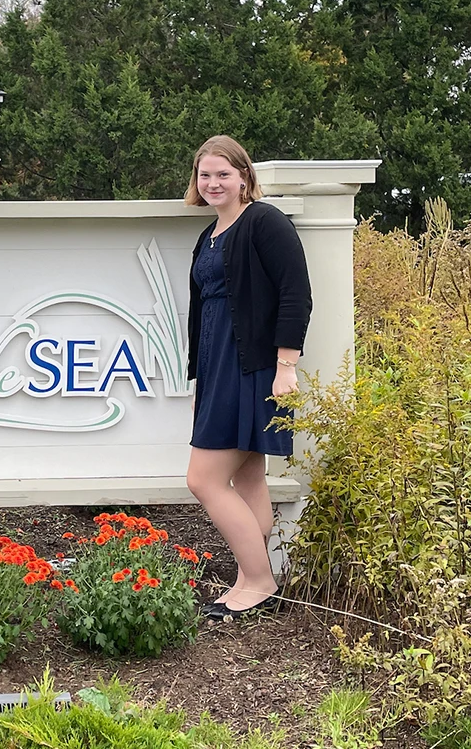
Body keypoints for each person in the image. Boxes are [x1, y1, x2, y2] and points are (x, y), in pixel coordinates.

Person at [183, 135, 312, 619]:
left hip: (256, 368)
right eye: (205, 174)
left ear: (244, 177)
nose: (213, 182)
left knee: (204, 480)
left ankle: (260, 580)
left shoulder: (264, 222)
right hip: (218, 369)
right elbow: (202, 314)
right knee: (249, 476)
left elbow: (296, 293)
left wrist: (286, 366)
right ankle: (249, 575)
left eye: (223, 173)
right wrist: (199, 382)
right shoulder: (210, 234)